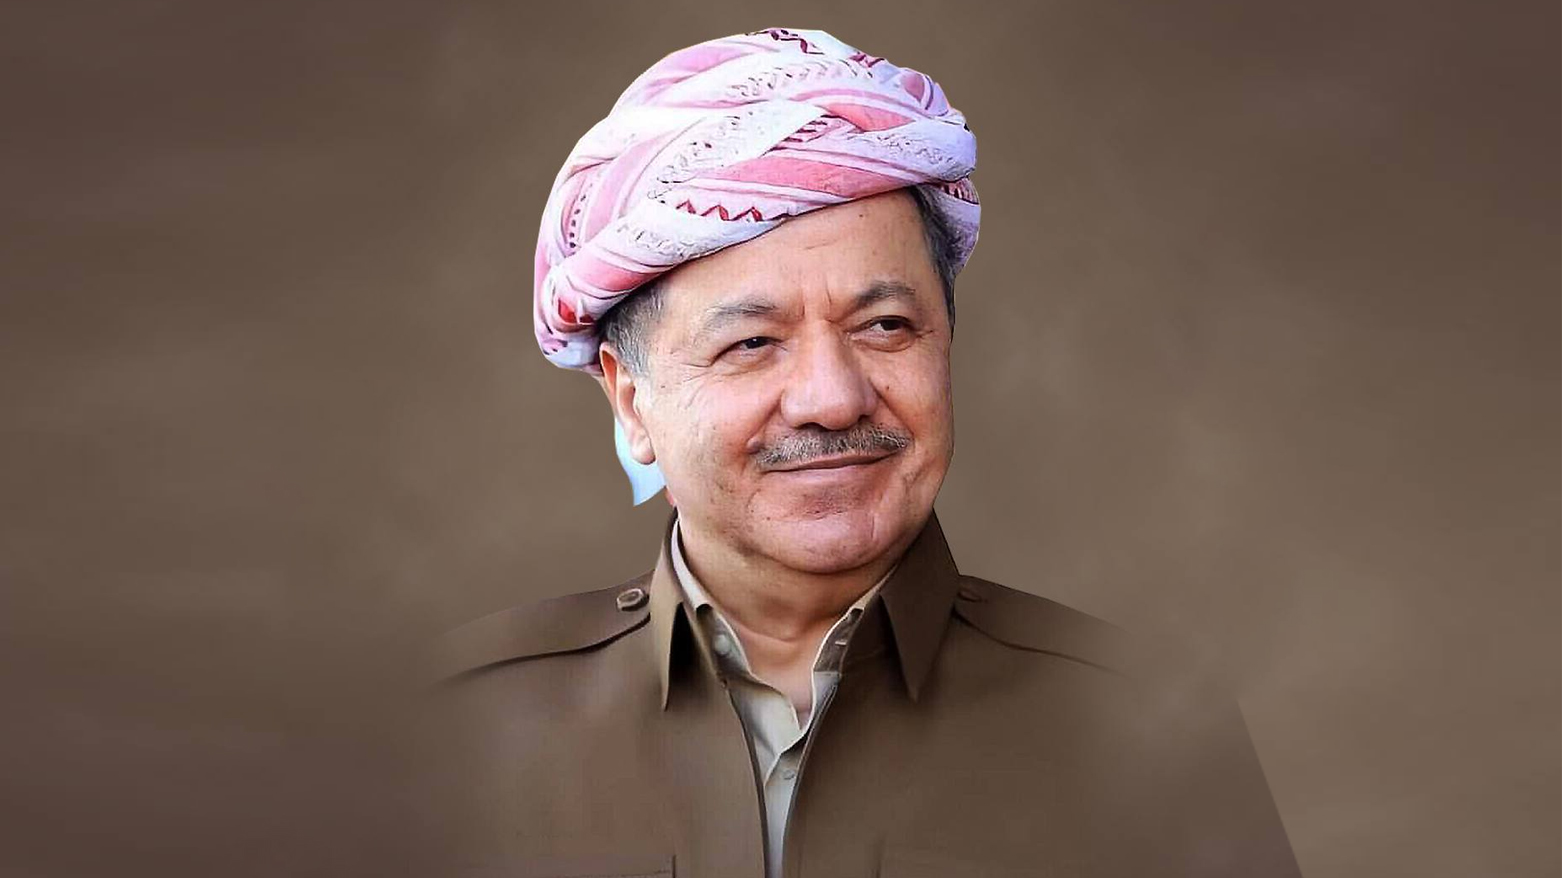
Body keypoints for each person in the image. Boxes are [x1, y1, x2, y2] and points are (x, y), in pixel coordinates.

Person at [424, 27, 1301, 877]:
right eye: (752, 342)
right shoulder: (457, 733)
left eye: (884, 326)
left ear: (945, 341)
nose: (833, 398)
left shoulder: (1147, 732)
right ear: (630, 400)